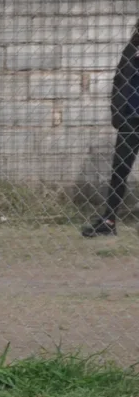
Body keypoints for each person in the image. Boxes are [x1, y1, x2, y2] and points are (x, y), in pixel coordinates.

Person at [83, 19, 139, 237]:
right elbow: (119, 81)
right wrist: (117, 113)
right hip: (130, 119)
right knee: (119, 171)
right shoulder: (132, 49)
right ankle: (108, 221)